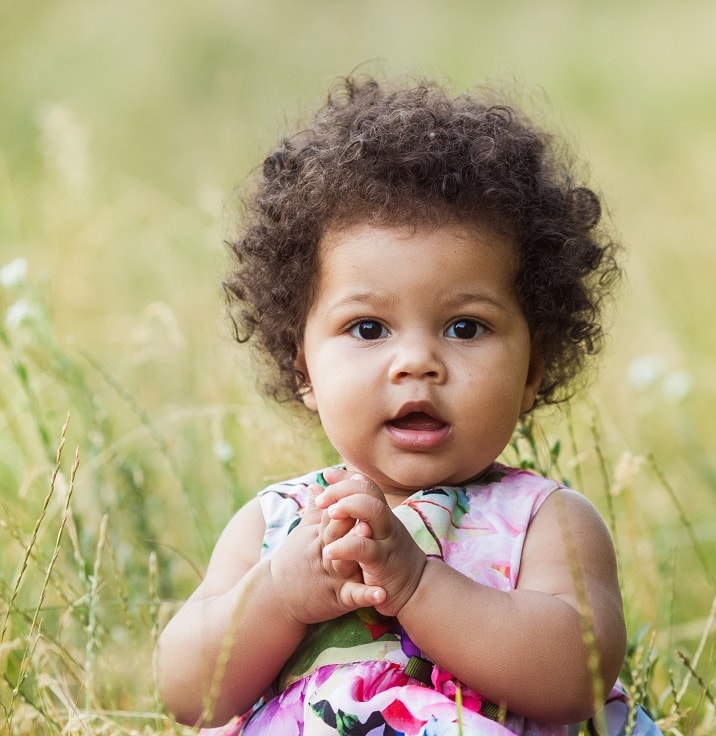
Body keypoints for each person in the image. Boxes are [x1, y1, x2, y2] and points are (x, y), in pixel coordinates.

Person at [156, 75, 660, 736]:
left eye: (465, 327)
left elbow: (575, 678)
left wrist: (417, 584)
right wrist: (280, 594)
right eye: (369, 329)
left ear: (533, 368)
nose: (416, 362)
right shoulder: (276, 527)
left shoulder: (547, 523)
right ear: (302, 367)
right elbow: (190, 693)